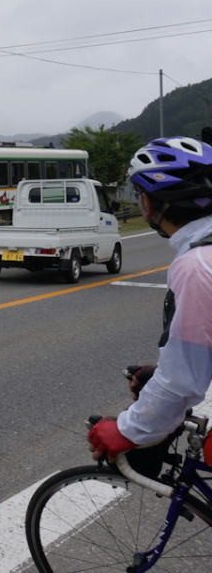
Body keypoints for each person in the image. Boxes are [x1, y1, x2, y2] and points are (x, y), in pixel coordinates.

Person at [88, 134, 212, 464]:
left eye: (140, 195)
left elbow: (182, 379)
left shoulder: (198, 265)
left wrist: (127, 429)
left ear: (154, 203)